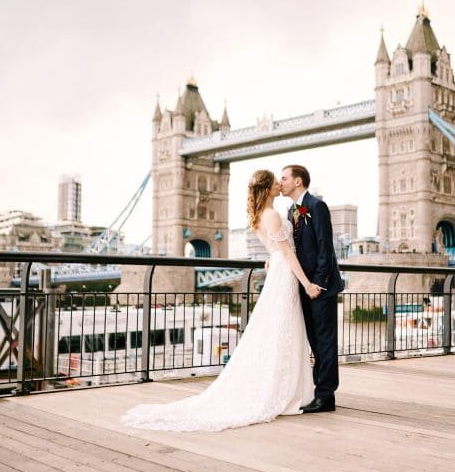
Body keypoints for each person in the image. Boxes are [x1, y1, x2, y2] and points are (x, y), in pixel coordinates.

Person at [121, 169, 320, 431]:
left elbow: (276, 250)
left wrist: (273, 258)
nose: (278, 185)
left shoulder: (262, 215)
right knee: (284, 331)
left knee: (280, 332)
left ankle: (286, 386)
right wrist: (307, 284)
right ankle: (287, 390)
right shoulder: (271, 215)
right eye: (274, 182)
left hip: (279, 275)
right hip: (285, 277)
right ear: (266, 188)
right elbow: (287, 253)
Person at [280, 164, 344, 413]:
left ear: (298, 181)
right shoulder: (291, 211)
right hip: (303, 286)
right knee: (315, 342)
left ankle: (326, 395)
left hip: (320, 287)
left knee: (325, 341)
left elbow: (325, 248)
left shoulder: (317, 206)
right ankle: (319, 390)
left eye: (284, 178)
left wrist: (317, 283)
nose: (280, 182)